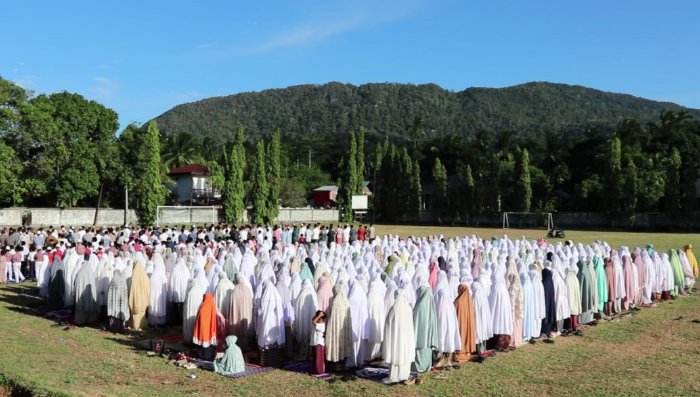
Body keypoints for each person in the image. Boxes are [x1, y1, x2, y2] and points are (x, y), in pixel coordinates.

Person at [311, 310, 327, 374]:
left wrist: (319, 315)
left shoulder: (322, 325)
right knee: (316, 357)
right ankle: (316, 370)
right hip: (316, 343)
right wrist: (318, 316)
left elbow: (313, 321)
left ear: (320, 318)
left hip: (319, 343)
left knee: (319, 358)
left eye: (318, 317)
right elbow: (313, 320)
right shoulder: (319, 324)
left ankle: (320, 371)